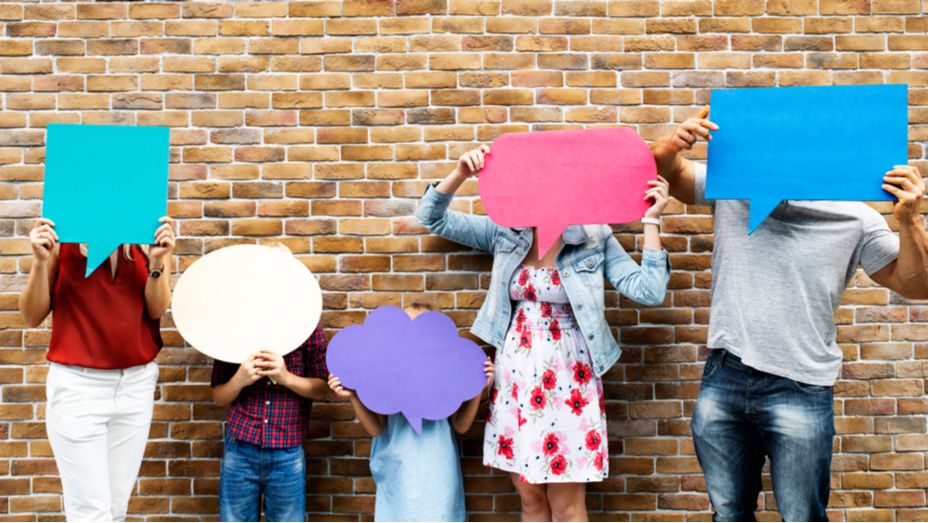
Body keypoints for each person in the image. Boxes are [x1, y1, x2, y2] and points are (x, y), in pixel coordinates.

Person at [650, 106, 928, 522]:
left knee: (802, 516)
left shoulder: (858, 218)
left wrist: (910, 222)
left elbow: (917, 285)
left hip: (801, 385)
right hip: (725, 375)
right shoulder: (733, 189)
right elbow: (668, 174)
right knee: (728, 514)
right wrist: (671, 146)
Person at [416, 146, 671, 521]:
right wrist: (460, 174)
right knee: (531, 500)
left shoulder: (593, 236)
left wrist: (651, 220)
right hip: (516, 377)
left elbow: (649, 290)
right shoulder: (506, 230)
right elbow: (431, 217)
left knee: (567, 506)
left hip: (570, 379)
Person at [18, 217, 175, 521]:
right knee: (91, 513)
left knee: (115, 510)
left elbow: (156, 309)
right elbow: (32, 315)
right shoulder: (63, 233)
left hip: (135, 386)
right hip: (78, 389)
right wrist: (40, 261)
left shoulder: (147, 230)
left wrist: (158, 261)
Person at [328, 303, 496, 522]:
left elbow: (461, 426)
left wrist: (476, 388)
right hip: (398, 471)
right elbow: (376, 429)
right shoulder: (386, 379)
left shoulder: (445, 378)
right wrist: (354, 396)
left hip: (438, 472)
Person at [211, 326, 331, 522]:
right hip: (240, 448)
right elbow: (218, 397)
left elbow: (324, 390)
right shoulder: (234, 323)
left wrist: (286, 377)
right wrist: (239, 381)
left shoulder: (307, 325)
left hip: (287, 452)